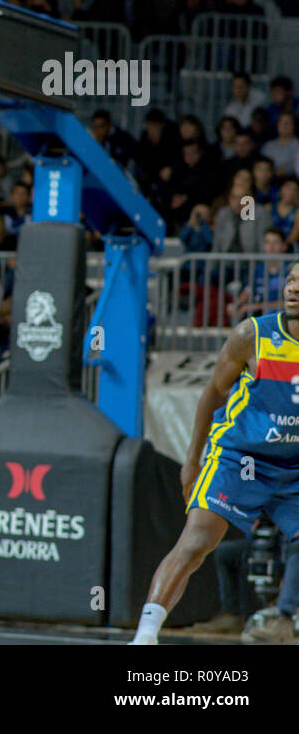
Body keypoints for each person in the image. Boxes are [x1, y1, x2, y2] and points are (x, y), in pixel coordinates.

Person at [132, 264, 299, 643]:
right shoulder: (252, 335)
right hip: (240, 457)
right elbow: (212, 393)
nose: (294, 288)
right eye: (290, 280)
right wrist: (193, 459)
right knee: (196, 543)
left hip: (293, 464)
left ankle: (284, 618)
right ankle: (145, 636)